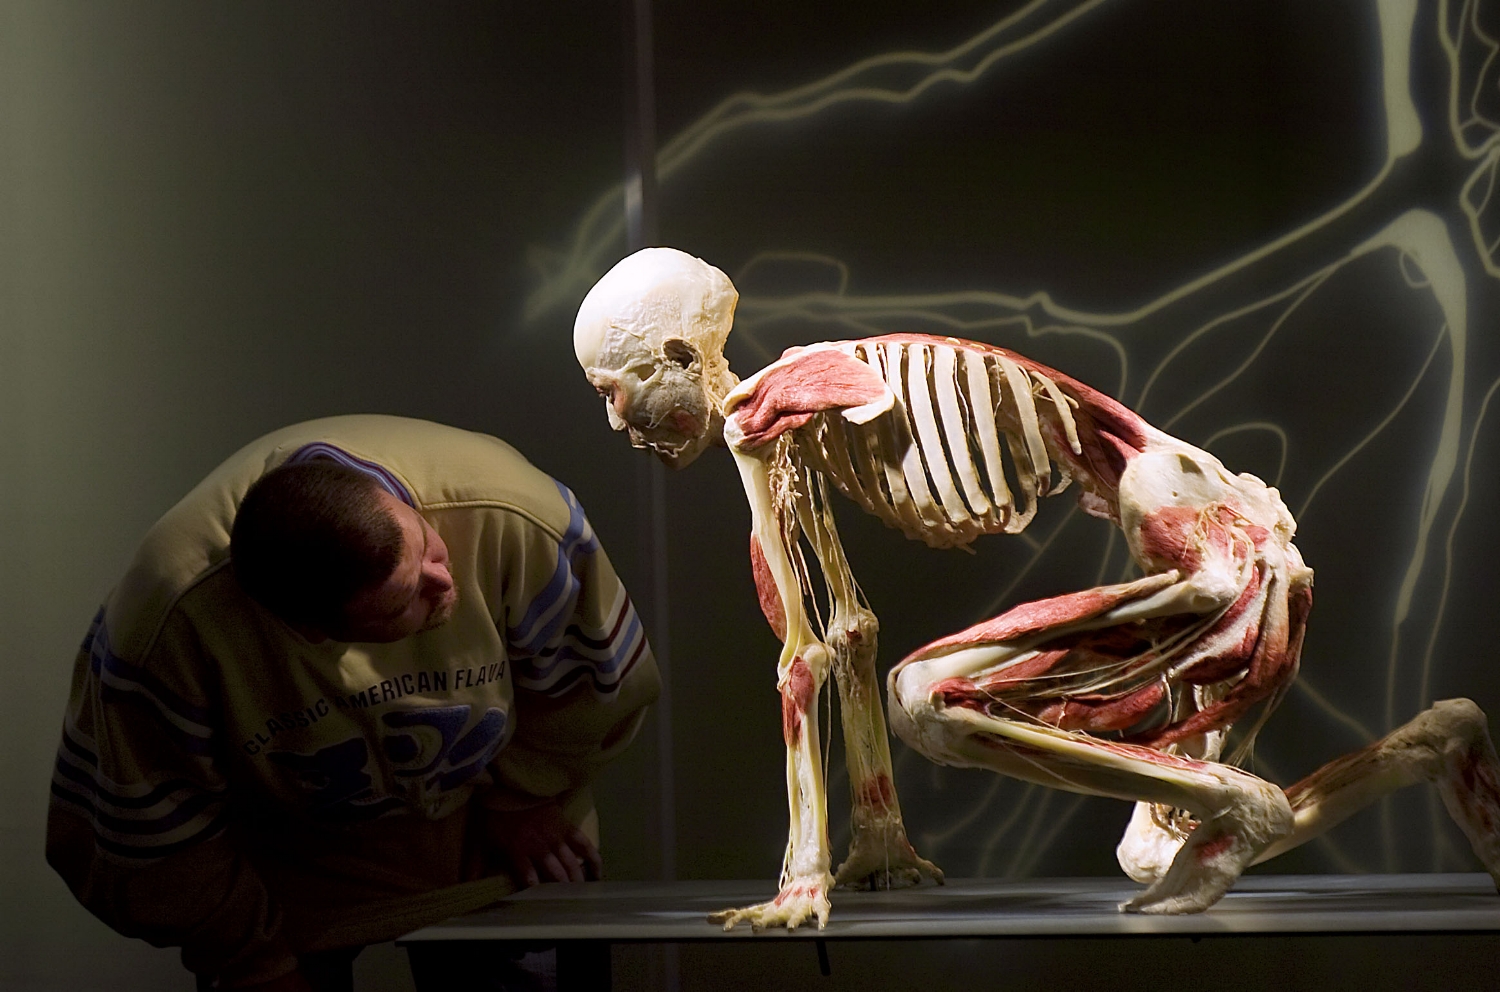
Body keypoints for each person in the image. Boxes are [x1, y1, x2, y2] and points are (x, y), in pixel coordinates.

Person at [47, 415, 660, 990]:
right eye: (404, 604)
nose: (444, 585)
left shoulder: (515, 513)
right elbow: (148, 831)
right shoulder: (169, 619)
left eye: (428, 549)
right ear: (318, 635)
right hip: (287, 886)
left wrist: (526, 793)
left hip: (502, 849)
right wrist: (247, 958)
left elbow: (597, 686)